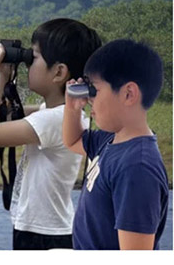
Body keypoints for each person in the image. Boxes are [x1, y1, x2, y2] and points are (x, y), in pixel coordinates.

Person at [0, 18, 102, 250]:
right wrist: (4, 74)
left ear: (59, 72)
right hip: (45, 230)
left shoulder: (55, 119)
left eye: (34, 57)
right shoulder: (57, 114)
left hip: (44, 235)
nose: (28, 63)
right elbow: (7, 115)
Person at [62, 39, 169, 250]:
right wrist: (72, 107)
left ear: (128, 94)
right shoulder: (110, 139)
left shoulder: (137, 167)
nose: (89, 98)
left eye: (95, 91)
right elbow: (73, 140)